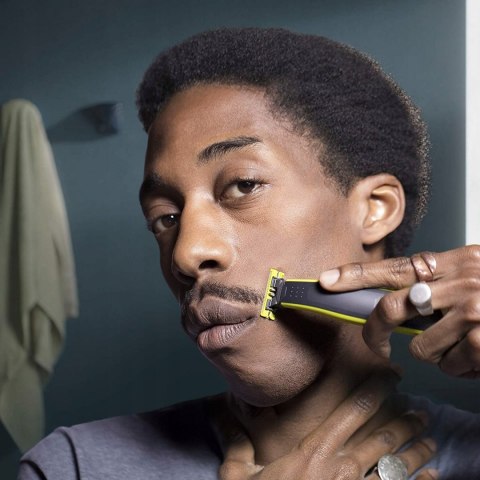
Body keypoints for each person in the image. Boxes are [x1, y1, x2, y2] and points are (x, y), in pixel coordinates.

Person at [18, 28, 480, 479]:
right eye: (166, 217)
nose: (186, 254)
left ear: (375, 209)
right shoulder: (71, 466)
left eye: (243, 186)